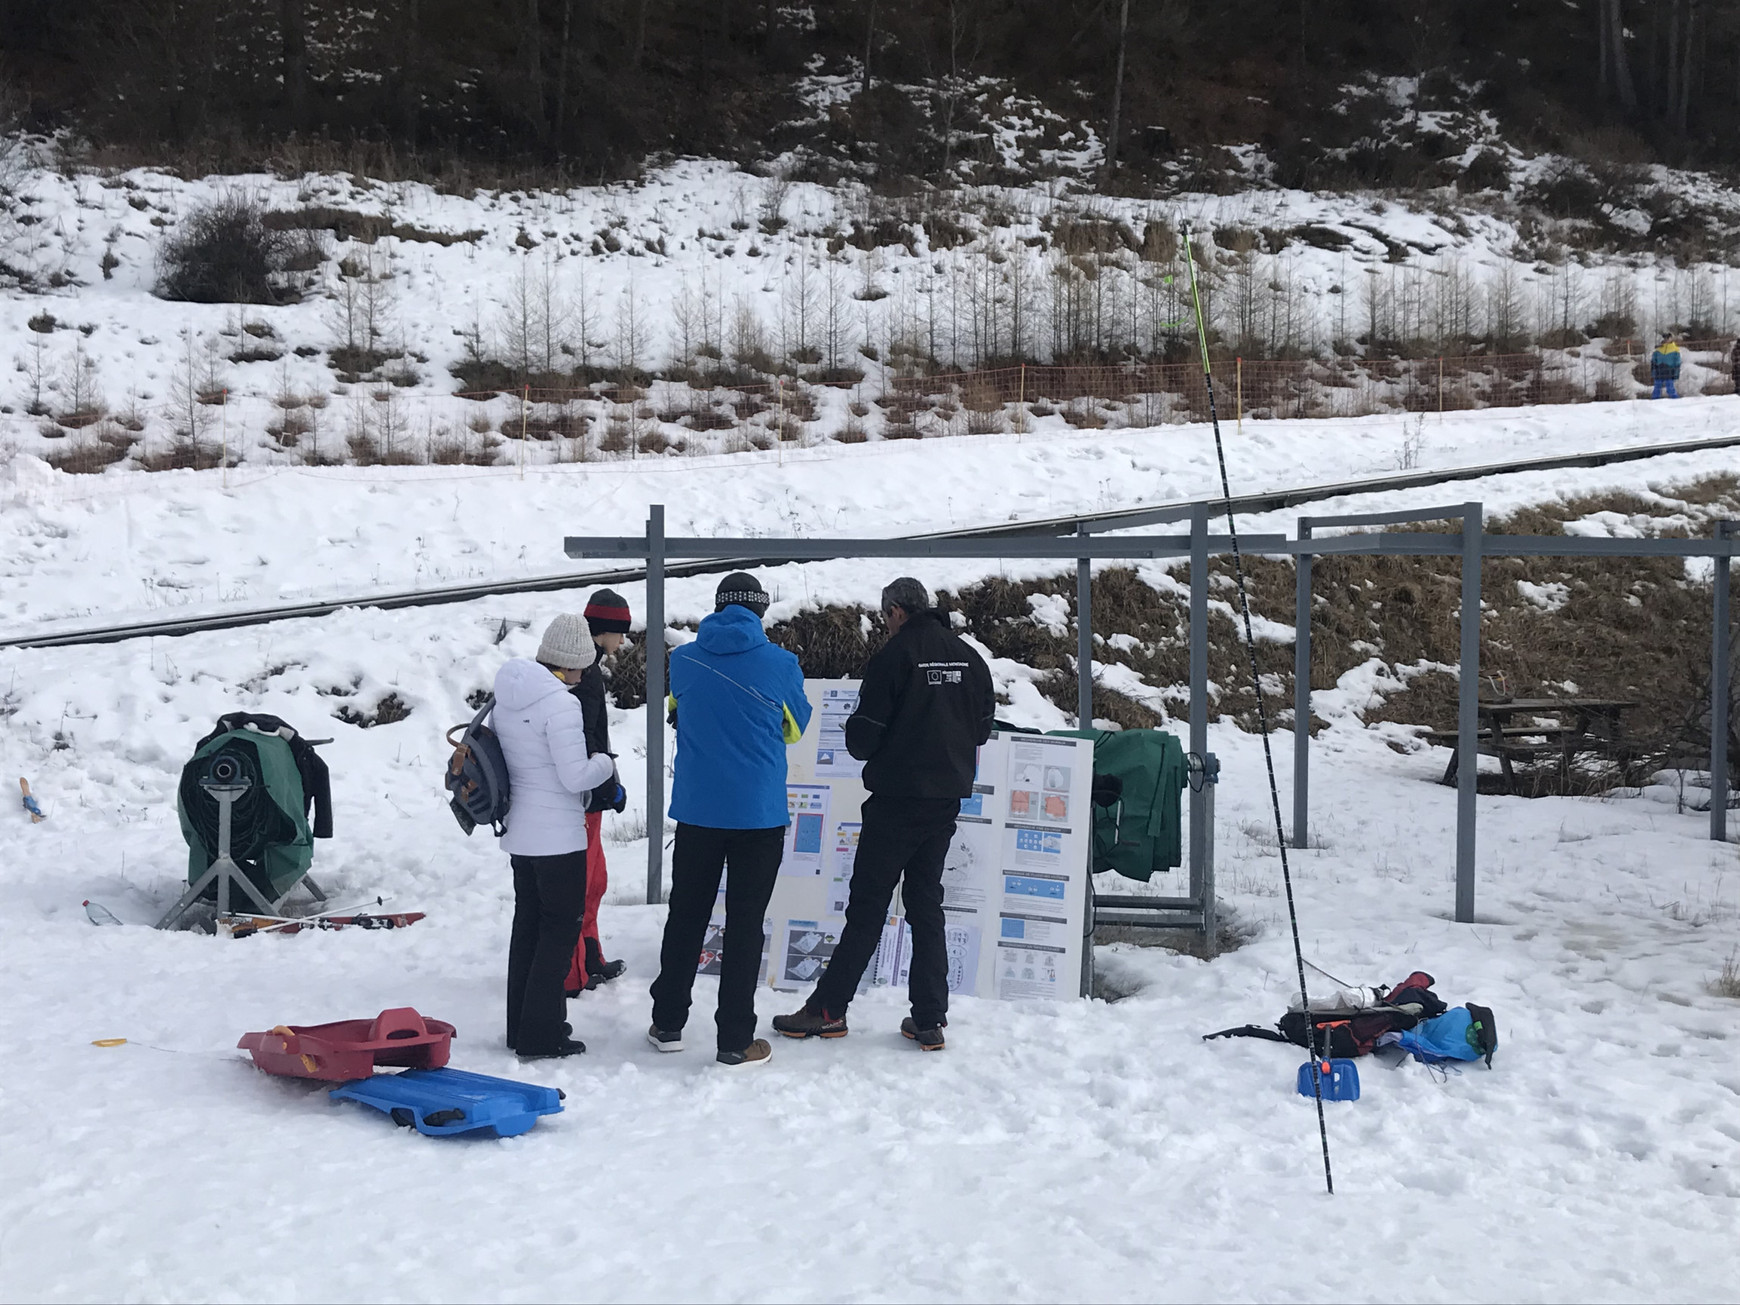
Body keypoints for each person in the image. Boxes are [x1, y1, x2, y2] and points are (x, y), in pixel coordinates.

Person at [773, 577, 994, 1052]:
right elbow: (981, 730)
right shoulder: (969, 657)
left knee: (868, 906)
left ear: (895, 611)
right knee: (925, 903)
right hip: (944, 801)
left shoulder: (895, 657)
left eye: (884, 616)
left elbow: (861, 740)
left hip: (896, 801)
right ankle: (930, 1018)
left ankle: (828, 1010)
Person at [647, 573, 812, 1069]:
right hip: (757, 815)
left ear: (717, 607)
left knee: (686, 915)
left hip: (698, 810)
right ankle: (735, 1040)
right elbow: (795, 729)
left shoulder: (683, 660)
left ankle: (668, 1023)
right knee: (744, 925)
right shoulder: (782, 664)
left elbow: (679, 709)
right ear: (760, 610)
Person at [493, 614, 618, 1059]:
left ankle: (519, 1027)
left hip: (520, 834)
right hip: (558, 840)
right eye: (582, 667)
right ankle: (543, 1034)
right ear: (566, 667)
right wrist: (604, 762)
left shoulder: (507, 696)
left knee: (526, 928)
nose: (584, 675)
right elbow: (573, 776)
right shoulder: (560, 705)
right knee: (558, 934)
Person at [562, 588, 632, 998]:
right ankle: (573, 972)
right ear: (603, 630)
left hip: (590, 796)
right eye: (619, 633)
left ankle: (590, 956)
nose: (622, 641)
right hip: (585, 798)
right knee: (583, 882)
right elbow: (588, 741)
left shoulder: (584, 667)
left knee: (596, 879)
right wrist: (607, 787)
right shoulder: (582, 674)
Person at [1650, 333, 1682, 399]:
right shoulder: (1658, 349)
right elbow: (1653, 361)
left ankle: (1676, 401)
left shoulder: (1675, 349)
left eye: (1668, 338)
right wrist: (1653, 371)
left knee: (1670, 387)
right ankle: (1654, 402)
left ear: (1671, 339)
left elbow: (1677, 362)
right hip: (1659, 370)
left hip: (1670, 370)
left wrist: (1676, 373)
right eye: (1665, 338)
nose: (1666, 339)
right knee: (1657, 387)